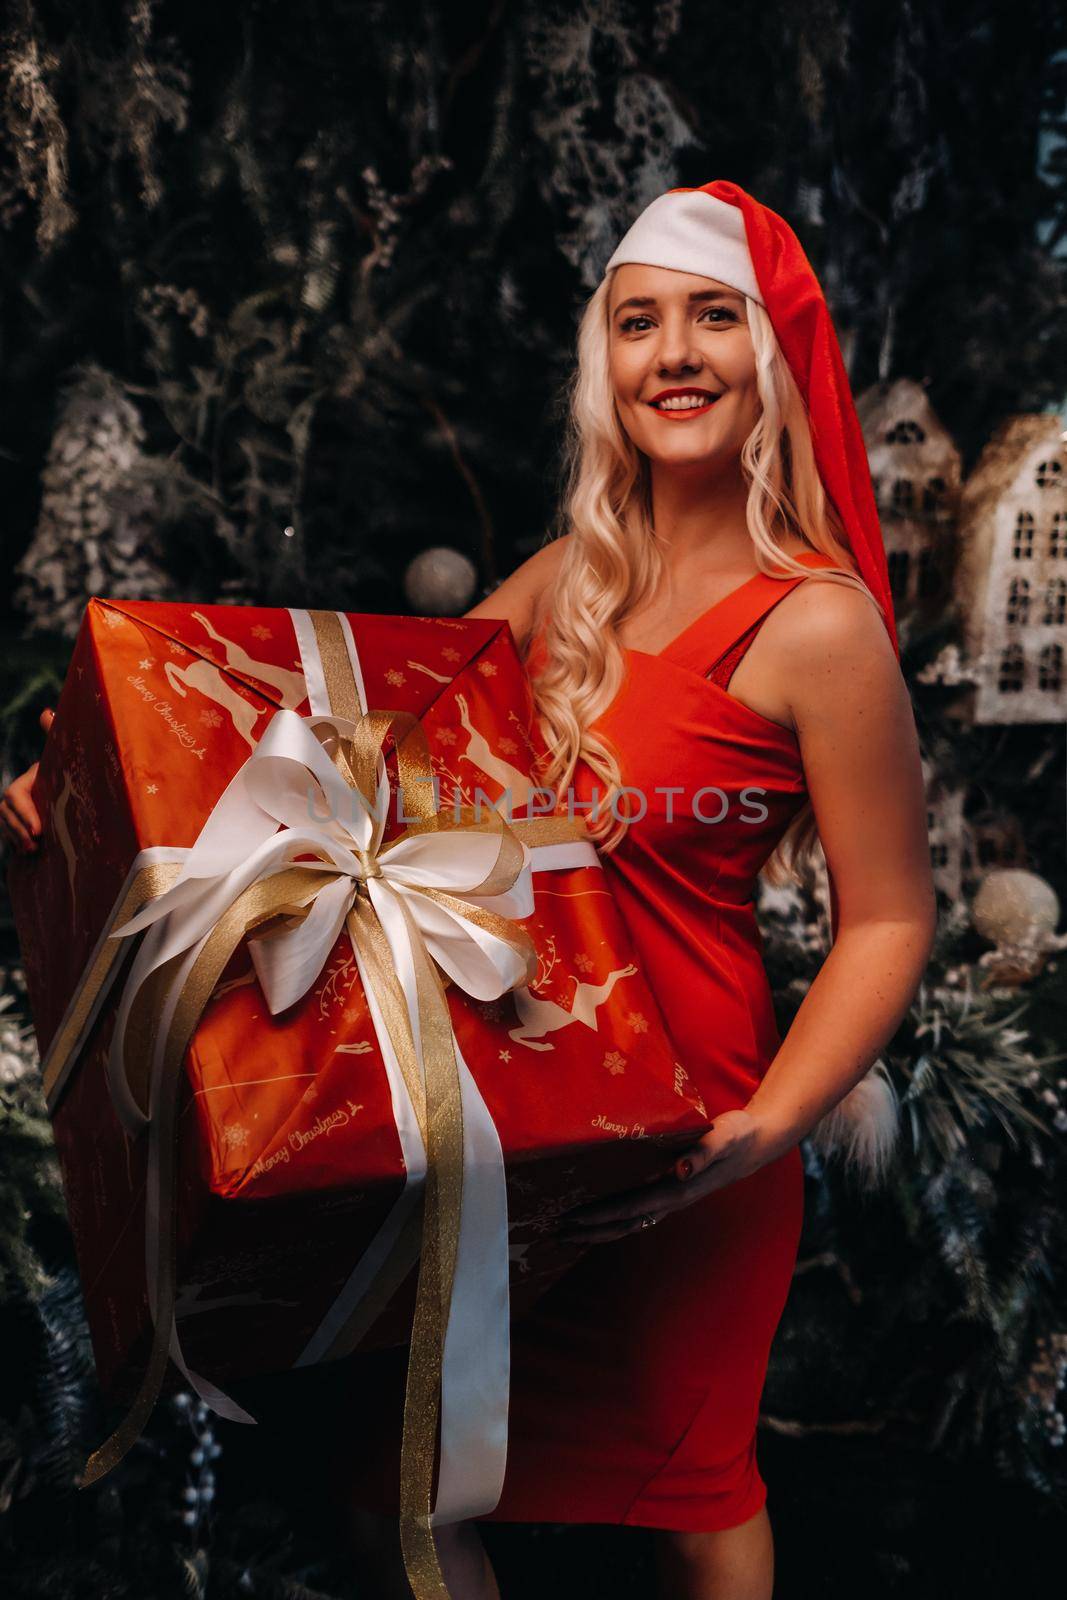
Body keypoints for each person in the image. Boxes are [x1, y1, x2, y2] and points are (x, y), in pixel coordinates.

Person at [2, 180, 937, 1600]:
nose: (673, 353)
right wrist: (83, 794)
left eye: (712, 319)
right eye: (638, 323)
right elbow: (356, 740)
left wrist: (774, 1124)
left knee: (696, 1505)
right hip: (517, 1123)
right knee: (402, 1495)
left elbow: (891, 917)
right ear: (601, 365)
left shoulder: (820, 624)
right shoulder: (565, 579)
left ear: (775, 360)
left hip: (699, 1140)